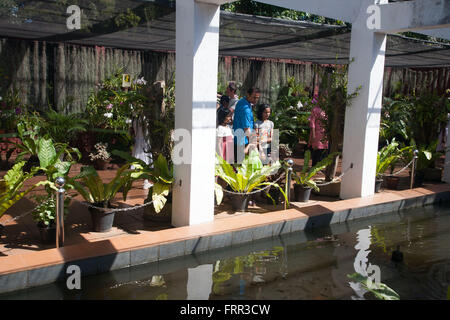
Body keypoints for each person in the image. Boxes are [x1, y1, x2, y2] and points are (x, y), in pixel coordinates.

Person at [233, 87, 260, 163]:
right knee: (242, 167)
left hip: (238, 138)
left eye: (257, 98)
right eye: (254, 97)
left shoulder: (242, 101)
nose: (256, 100)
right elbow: (247, 129)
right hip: (242, 141)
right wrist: (252, 145)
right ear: (248, 94)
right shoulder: (245, 109)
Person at [308, 95, 329, 166]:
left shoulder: (327, 110)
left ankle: (320, 166)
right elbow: (312, 122)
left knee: (324, 149)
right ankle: (314, 165)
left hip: (324, 133)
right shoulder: (315, 110)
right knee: (317, 149)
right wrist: (313, 134)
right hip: (317, 133)